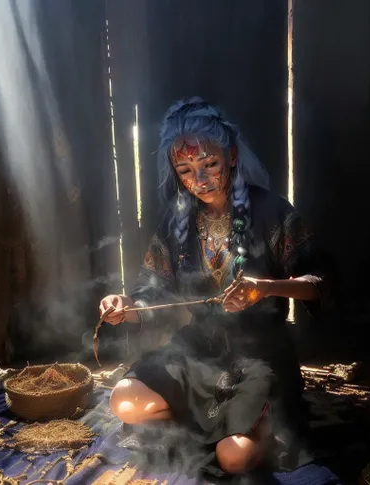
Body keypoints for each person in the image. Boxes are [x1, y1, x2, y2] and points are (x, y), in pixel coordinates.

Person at [99, 97, 331, 477]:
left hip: (258, 355)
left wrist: (268, 288)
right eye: (186, 169)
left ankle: (260, 422)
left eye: (209, 164)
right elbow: (151, 289)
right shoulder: (178, 221)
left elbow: (320, 282)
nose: (200, 180)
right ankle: (218, 425)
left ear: (233, 156)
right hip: (196, 350)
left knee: (234, 459)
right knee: (124, 401)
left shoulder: (271, 212)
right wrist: (126, 303)